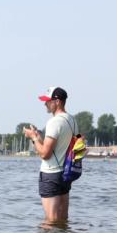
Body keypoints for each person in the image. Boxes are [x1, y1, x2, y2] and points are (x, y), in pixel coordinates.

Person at [22, 86, 77, 225]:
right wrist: (38, 137)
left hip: (51, 175)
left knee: (51, 221)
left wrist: (33, 137)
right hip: (65, 174)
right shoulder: (72, 120)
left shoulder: (54, 122)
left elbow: (45, 154)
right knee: (63, 219)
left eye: (48, 101)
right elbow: (56, 149)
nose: (45, 104)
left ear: (57, 102)